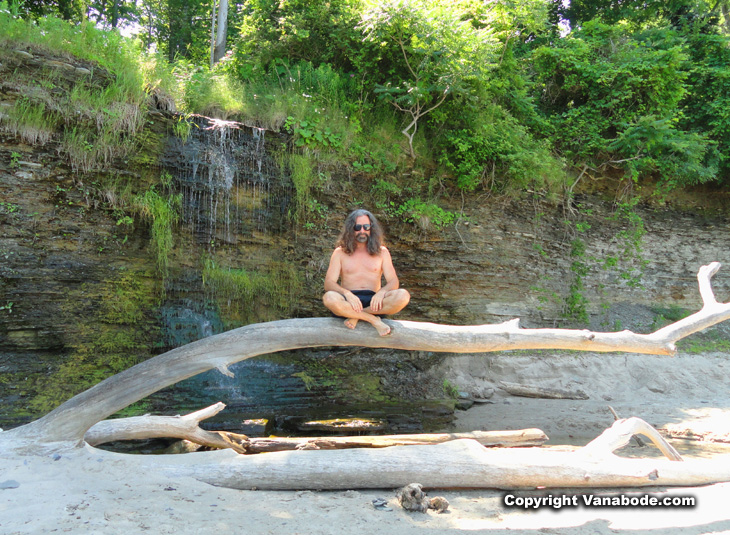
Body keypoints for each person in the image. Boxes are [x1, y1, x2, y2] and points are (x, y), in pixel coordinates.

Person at [322, 209, 410, 336]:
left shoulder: (382, 252)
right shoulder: (340, 252)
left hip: (375, 303)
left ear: (371, 229)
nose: (362, 231)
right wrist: (347, 293)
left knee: (403, 296)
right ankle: (373, 319)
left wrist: (381, 293)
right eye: (357, 227)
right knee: (329, 297)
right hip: (349, 302)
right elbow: (328, 284)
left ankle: (358, 316)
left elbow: (393, 281)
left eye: (366, 227)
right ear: (351, 229)